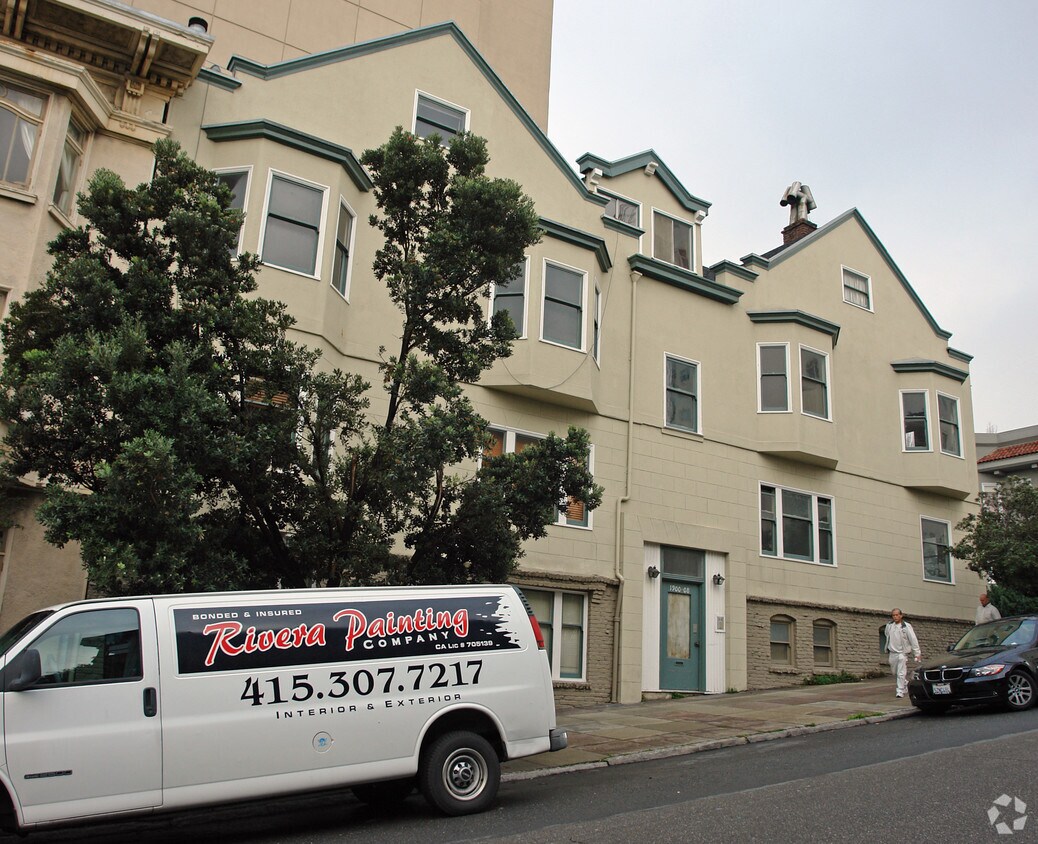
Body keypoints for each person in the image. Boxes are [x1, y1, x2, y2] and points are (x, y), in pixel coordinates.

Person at [884, 608, 921, 698]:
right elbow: (887, 635)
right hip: (892, 652)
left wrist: (917, 653)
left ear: (901, 615)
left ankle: (900, 690)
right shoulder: (889, 626)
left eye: (897, 615)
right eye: (893, 615)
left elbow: (913, 640)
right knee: (894, 672)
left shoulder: (906, 626)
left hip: (902, 653)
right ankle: (904, 683)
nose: (895, 617)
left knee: (901, 672)